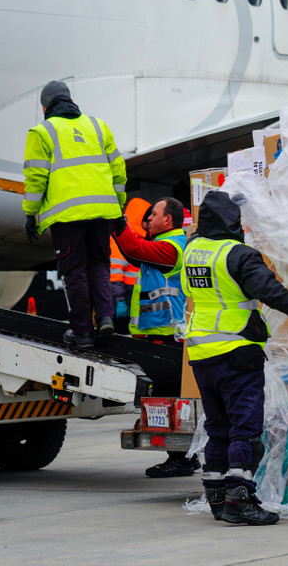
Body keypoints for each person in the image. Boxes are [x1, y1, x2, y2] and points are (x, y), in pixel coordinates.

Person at [178, 191, 288, 526]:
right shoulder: (237, 255)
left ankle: (217, 498)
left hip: (202, 353)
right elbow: (267, 289)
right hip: (237, 352)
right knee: (246, 429)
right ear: (233, 222)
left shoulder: (193, 252)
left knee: (218, 428)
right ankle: (240, 498)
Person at [22, 81, 127, 348]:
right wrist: (118, 207)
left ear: (45, 107)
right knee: (100, 265)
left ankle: (82, 333)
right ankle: (105, 318)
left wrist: (30, 214)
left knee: (75, 271)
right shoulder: (97, 126)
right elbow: (118, 171)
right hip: (103, 211)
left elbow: (36, 178)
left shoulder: (42, 132)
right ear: (70, 100)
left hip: (68, 217)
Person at [113, 197, 201, 478]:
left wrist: (116, 221)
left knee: (170, 397)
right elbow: (133, 254)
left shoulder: (171, 246)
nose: (148, 218)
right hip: (161, 335)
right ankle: (184, 456)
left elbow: (134, 248)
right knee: (169, 396)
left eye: (154, 214)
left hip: (168, 335)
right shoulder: (164, 244)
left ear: (169, 220)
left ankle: (181, 457)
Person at [110, 197, 152, 334]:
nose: (149, 222)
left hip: (133, 295)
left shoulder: (140, 239)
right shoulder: (123, 239)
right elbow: (115, 273)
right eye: (147, 219)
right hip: (123, 297)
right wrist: (119, 300)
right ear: (141, 219)